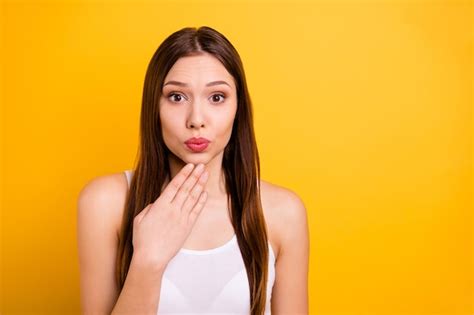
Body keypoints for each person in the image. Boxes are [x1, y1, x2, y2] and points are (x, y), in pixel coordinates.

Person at [77, 26, 309, 315]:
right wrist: (148, 261)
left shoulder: (283, 212)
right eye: (177, 97)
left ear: (239, 109)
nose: (196, 120)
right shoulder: (105, 203)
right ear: (154, 106)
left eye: (216, 97)